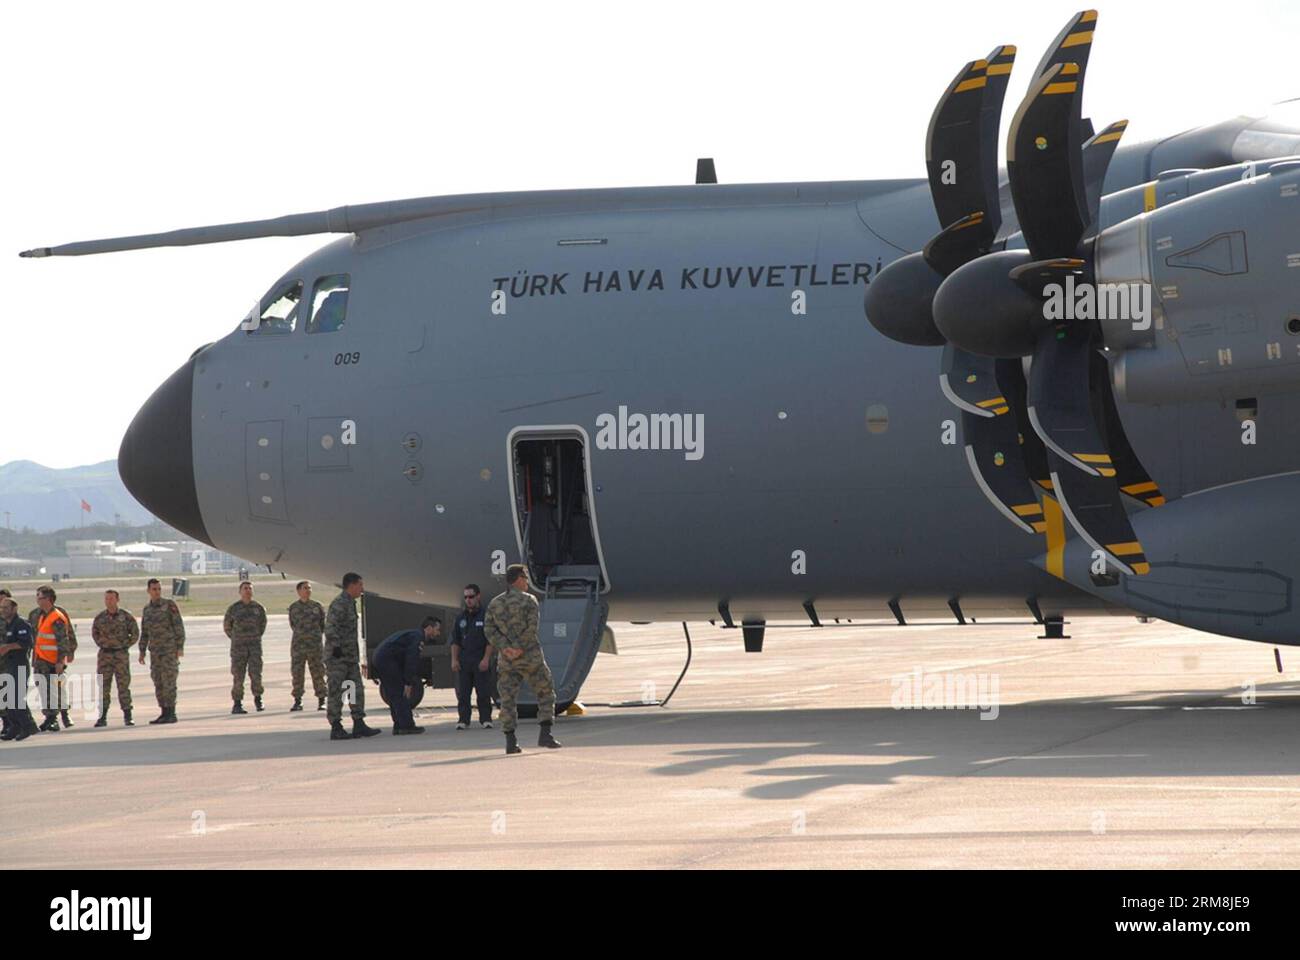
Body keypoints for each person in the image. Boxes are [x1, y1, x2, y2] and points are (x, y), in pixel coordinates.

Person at [484, 564, 560, 755]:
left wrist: (505, 647)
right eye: (525, 578)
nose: (527, 582)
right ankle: (545, 734)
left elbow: (489, 630)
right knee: (545, 692)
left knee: (508, 699)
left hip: (507, 660)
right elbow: (532, 628)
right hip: (530, 657)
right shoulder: (529, 600)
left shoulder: (495, 603)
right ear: (518, 579)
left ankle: (510, 741)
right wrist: (518, 648)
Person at [324, 572, 380, 741]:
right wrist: (336, 648)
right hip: (338, 658)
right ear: (352, 585)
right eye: (360, 585)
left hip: (349, 657)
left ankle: (359, 723)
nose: (362, 589)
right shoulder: (339, 604)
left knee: (355, 689)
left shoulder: (350, 603)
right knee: (337, 691)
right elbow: (330, 628)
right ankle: (336, 726)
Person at [373, 618, 440, 734]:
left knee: (394, 694)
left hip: (381, 658)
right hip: (386, 659)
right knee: (399, 693)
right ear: (429, 628)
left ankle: (399, 725)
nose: (438, 633)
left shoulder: (414, 634)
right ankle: (407, 725)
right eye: (437, 629)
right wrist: (408, 683)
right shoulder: (417, 637)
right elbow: (411, 660)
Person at [138, 578, 184, 724]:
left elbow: (178, 626)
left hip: (169, 650)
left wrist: (179, 647)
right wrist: (142, 650)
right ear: (148, 591)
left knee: (169, 681)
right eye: (154, 589)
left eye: (159, 589)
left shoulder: (169, 605)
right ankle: (163, 712)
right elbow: (145, 631)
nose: (157, 592)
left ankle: (171, 712)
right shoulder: (147, 609)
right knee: (158, 681)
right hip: (155, 652)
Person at [91, 589, 139, 727]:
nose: (109, 601)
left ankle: (128, 715)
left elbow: (135, 633)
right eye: (107, 599)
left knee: (123, 686)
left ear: (117, 600)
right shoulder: (100, 617)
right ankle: (102, 717)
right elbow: (95, 633)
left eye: (111, 599)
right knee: (103, 687)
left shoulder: (126, 616)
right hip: (105, 656)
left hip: (120, 655)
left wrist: (124, 646)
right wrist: (103, 644)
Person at [31, 586, 75, 732]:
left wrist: (60, 661)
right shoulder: (37, 615)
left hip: (52, 660)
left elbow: (63, 640)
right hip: (40, 659)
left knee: (54, 690)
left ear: (48, 599)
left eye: (40, 597)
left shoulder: (57, 617)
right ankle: (49, 718)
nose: (38, 600)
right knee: (43, 689)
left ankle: (54, 718)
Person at [450, 584, 493, 730]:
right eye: (466, 597)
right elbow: (455, 641)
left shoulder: (486, 616)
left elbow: (490, 640)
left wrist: (486, 659)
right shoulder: (460, 618)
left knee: (483, 692)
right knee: (463, 693)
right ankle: (463, 720)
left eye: (471, 597)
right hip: (464, 660)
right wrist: (454, 660)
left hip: (480, 660)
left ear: (478, 596)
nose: (468, 600)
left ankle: (486, 719)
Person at [223, 581, 267, 714]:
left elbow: (262, 625)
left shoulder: (258, 608)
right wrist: (237, 638)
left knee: (256, 674)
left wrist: (254, 637)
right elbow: (227, 626)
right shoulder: (234, 608)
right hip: (238, 648)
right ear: (240, 591)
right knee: (238, 675)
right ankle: (237, 703)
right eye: (245, 588)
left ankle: (258, 699)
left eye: (249, 588)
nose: (247, 591)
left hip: (254, 647)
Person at [0, 596, 37, 741]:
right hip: (9, 665)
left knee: (16, 698)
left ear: (14, 609)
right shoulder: (8, 625)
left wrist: (7, 647)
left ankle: (27, 726)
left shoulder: (21, 624)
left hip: (19, 664)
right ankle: (15, 726)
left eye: (6, 608)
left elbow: (26, 643)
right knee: (8, 697)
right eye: (1, 608)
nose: (3, 611)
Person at [287, 581, 328, 712]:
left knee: (318, 673)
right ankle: (298, 701)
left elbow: (322, 625)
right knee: (297, 674)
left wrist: (314, 636)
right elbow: (293, 624)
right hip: (298, 646)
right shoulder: (293, 607)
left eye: (309, 588)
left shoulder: (317, 606)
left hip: (315, 646)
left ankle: (322, 700)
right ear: (299, 591)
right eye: (305, 588)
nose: (308, 590)